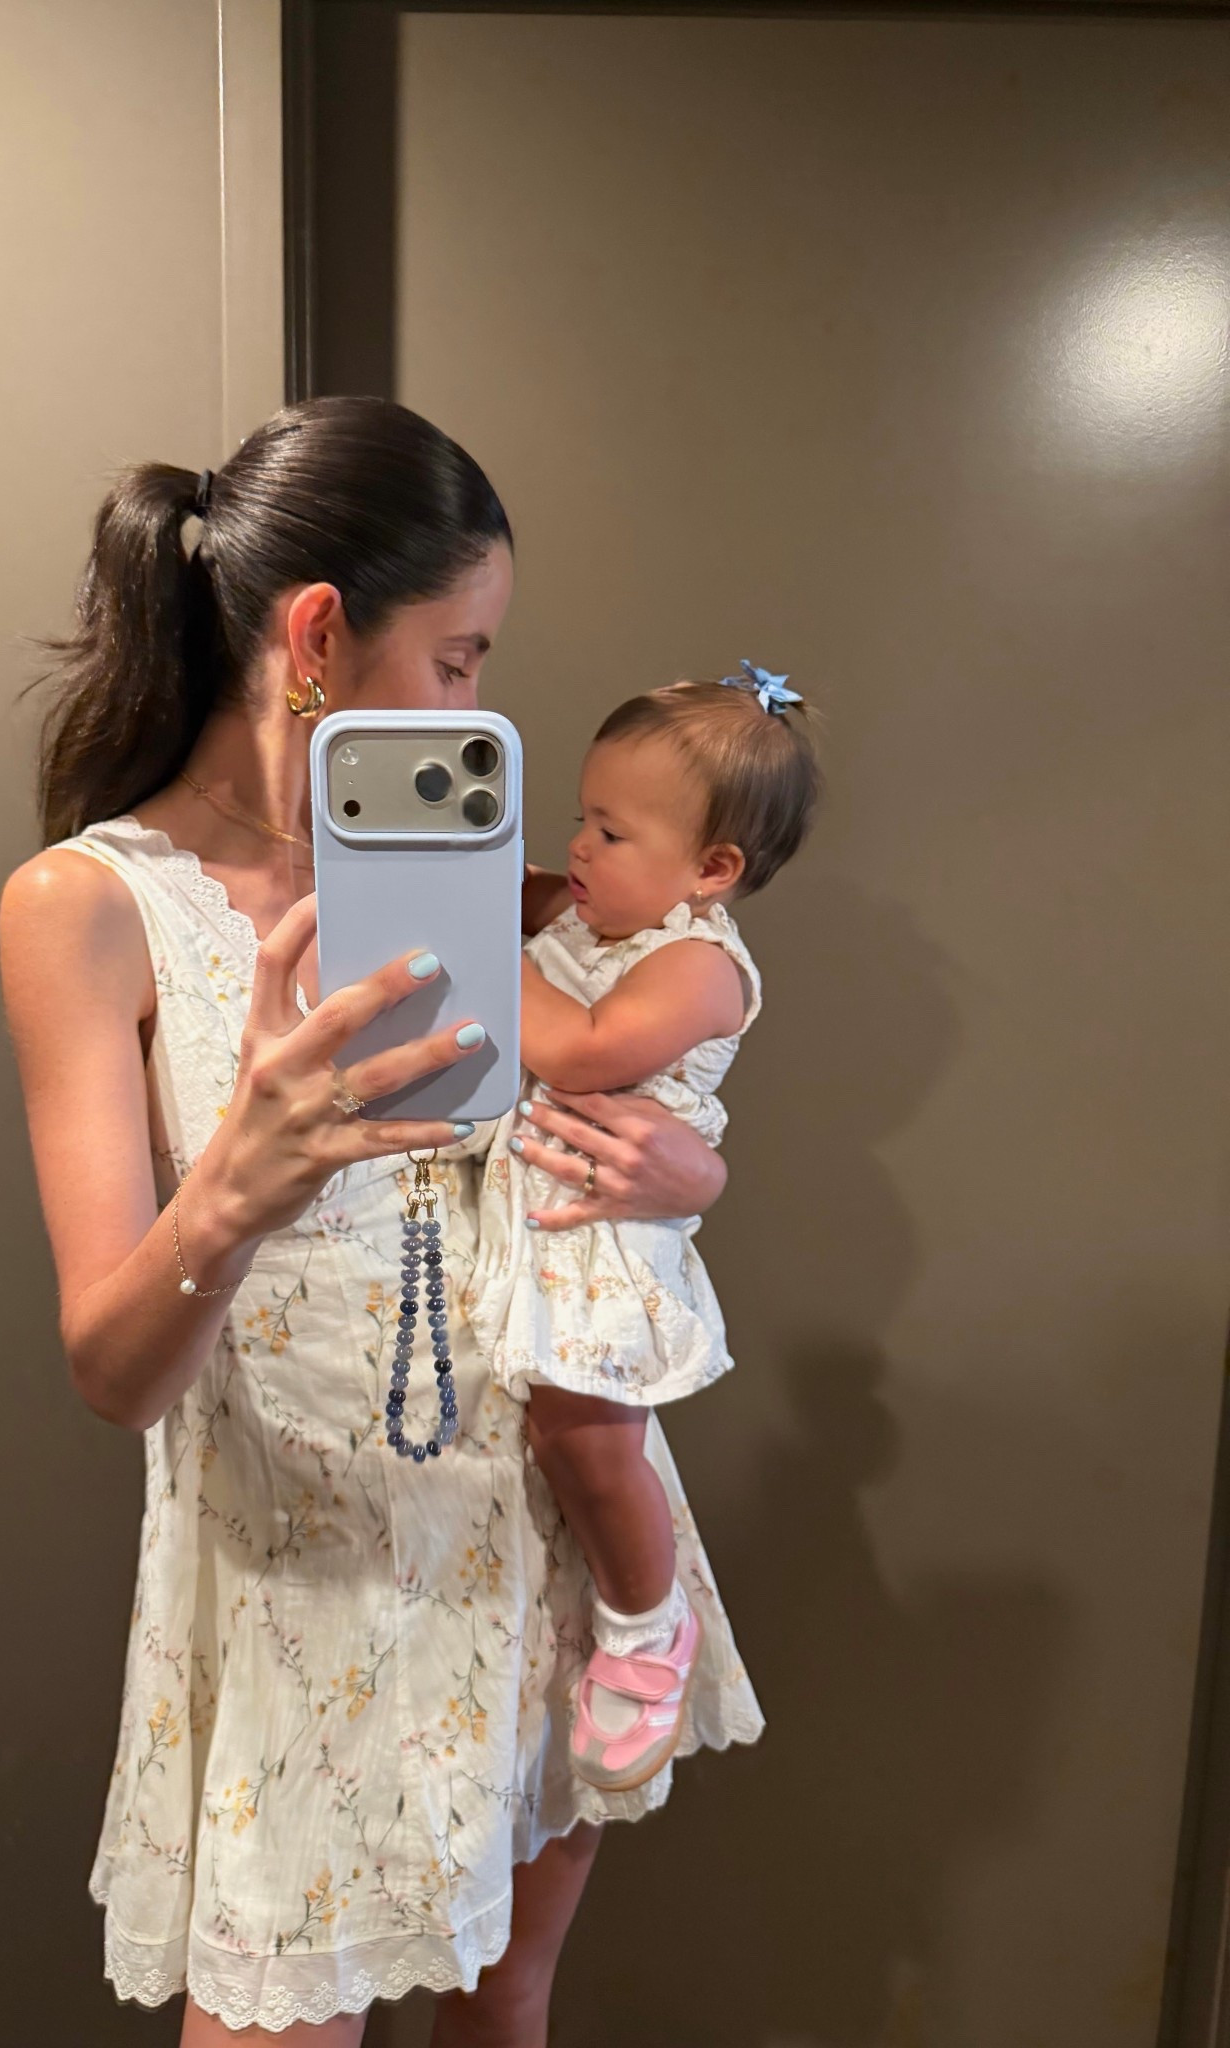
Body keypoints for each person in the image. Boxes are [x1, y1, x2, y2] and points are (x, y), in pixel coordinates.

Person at [0, 396, 762, 2047]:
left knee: (510, 2001)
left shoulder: (476, 870)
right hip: (304, 1585)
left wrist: (684, 1173)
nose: (476, 710)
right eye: (458, 658)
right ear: (319, 636)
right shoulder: (91, 906)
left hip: (536, 1536)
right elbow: (113, 1371)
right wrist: (243, 1175)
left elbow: (631, 1086)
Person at [468, 672, 819, 1793]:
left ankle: (645, 1627)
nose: (579, 845)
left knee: (588, 1437)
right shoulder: (595, 913)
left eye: (611, 832)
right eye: (581, 815)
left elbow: (580, 1049)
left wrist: (479, 948)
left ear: (711, 870)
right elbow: (517, 893)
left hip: (600, 1241)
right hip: (531, 1216)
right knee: (544, 1433)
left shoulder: (700, 965)